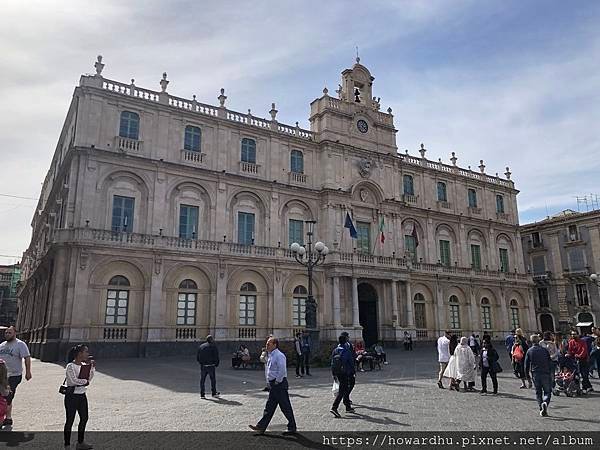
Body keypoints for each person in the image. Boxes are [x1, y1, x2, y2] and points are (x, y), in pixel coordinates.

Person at [249, 337, 297, 435]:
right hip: (274, 384)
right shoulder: (271, 355)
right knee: (269, 407)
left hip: (279, 384)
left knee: (285, 406)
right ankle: (261, 427)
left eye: (269, 344)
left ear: (275, 345)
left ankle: (292, 427)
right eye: (267, 343)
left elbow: (282, 370)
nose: (267, 345)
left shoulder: (279, 355)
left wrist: (277, 381)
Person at [63, 344, 95, 449]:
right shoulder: (70, 366)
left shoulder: (84, 365)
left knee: (84, 418)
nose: (87, 354)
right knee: (70, 420)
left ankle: (80, 442)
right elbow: (73, 381)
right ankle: (67, 445)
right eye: (86, 352)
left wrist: (91, 368)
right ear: (79, 353)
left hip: (82, 395)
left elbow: (89, 379)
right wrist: (84, 381)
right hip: (72, 396)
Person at [0, 326, 32, 428]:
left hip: (14, 375)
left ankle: (5, 417)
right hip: (2, 375)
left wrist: (28, 372)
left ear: (14, 333)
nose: (7, 334)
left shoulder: (20, 344)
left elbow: (27, 358)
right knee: (5, 396)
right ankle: (8, 418)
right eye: (6, 333)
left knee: (8, 395)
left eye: (9, 333)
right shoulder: (2, 345)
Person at [524, 335, 552, 417]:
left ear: (531, 341)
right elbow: (549, 362)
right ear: (538, 341)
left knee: (538, 392)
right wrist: (550, 372)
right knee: (547, 391)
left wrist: (528, 378)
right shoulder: (544, 350)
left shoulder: (529, 351)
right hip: (545, 372)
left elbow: (526, 366)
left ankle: (541, 407)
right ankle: (545, 402)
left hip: (535, 373)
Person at [330, 335, 356, 417]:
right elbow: (351, 363)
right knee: (342, 390)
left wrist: (333, 373)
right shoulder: (346, 351)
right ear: (345, 341)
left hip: (337, 372)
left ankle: (348, 407)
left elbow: (332, 362)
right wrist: (353, 372)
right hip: (345, 372)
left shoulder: (335, 350)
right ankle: (334, 407)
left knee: (344, 389)